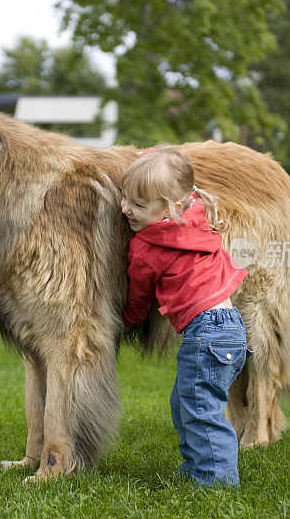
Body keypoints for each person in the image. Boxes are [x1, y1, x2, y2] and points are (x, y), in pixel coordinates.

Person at [120, 146, 250, 487]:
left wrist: (128, 320)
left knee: (200, 410)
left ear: (169, 208)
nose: (125, 209)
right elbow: (182, 183)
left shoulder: (146, 248)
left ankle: (216, 481)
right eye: (124, 197)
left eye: (137, 205)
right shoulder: (195, 213)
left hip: (207, 335)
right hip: (230, 328)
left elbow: (138, 297)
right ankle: (197, 467)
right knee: (186, 403)